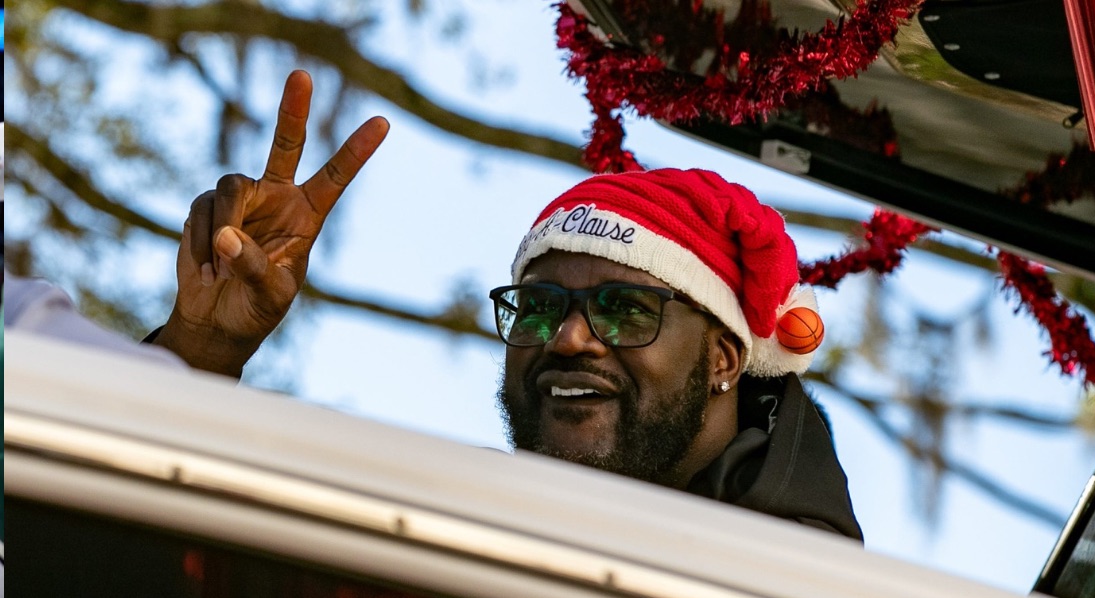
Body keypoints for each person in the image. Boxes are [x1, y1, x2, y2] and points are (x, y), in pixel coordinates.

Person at [154, 70, 862, 541]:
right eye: (540, 307)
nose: (569, 338)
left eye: (625, 309)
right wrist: (202, 350)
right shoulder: (454, 532)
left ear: (725, 359)